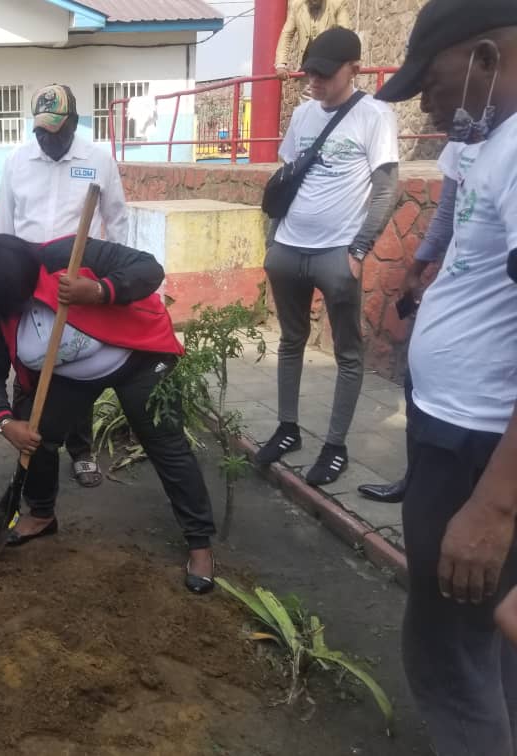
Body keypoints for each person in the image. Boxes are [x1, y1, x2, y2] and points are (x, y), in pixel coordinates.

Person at [375, 0, 517, 751]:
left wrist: (494, 507)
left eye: (431, 80)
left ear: (488, 59)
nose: (424, 102)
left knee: (447, 657)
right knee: (482, 642)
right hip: (459, 430)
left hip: (482, 449)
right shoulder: (494, 143)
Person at [0, 233, 217, 593]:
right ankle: (42, 514)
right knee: (36, 434)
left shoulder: (68, 256)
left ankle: (199, 543)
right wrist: (4, 421)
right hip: (71, 376)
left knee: (165, 444)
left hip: (138, 357)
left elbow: (148, 269)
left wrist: (99, 292)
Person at [256, 28, 400, 486]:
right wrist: (273, 242)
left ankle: (335, 446)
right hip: (289, 248)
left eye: (323, 73)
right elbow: (286, 177)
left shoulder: (374, 116)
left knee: (347, 353)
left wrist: (358, 250)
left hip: (337, 252)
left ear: (353, 69)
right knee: (290, 340)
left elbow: (387, 188)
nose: (313, 82)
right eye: (309, 73)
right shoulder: (302, 115)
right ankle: (287, 428)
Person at [0, 84, 129, 489]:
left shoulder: (98, 161)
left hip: (78, 280)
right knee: (30, 364)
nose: (49, 140)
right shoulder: (17, 162)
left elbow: (116, 221)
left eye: (57, 131)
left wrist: (112, 283)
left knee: (76, 366)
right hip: (30, 280)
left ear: (74, 122)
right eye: (41, 132)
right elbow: (4, 226)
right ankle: (34, 448)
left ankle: (82, 448)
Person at [356, 141, 480, 503]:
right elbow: (445, 217)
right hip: (451, 293)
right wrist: (415, 269)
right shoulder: (462, 141)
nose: (426, 104)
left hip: (490, 310)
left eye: (434, 86)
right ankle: (415, 480)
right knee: (417, 387)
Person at [275, 0, 352, 86]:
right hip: (308, 69)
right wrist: (281, 64)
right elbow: (287, 34)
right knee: (307, 98)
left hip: (331, 69)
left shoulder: (337, 3)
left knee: (330, 97)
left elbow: (345, 35)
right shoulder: (297, 6)